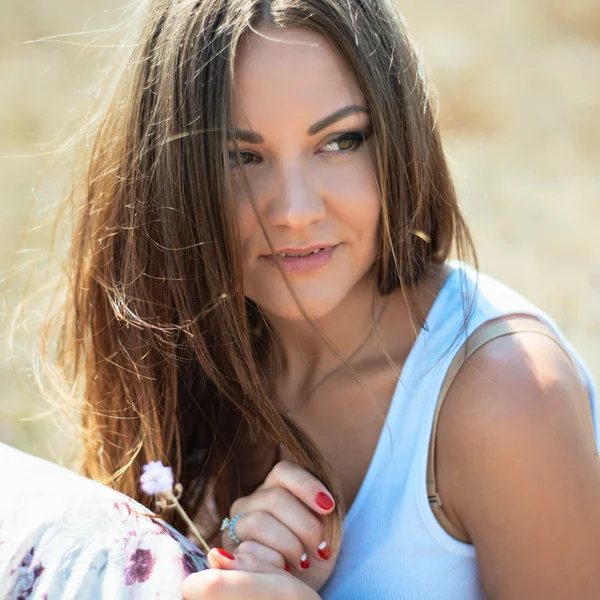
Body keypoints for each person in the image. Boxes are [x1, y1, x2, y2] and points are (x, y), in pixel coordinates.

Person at [22, 0, 600, 598]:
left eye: (340, 141)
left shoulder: (509, 396)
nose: (295, 211)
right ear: (168, 176)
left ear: (399, 138)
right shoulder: (176, 354)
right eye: (240, 156)